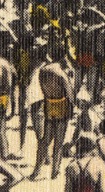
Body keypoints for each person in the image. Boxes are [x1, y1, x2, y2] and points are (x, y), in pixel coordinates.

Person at [31, 39, 75, 181]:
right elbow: (69, 94)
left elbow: (43, 90)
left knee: (45, 140)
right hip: (61, 105)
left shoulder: (44, 70)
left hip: (49, 104)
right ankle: (55, 171)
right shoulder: (61, 73)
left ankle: (37, 169)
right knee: (59, 142)